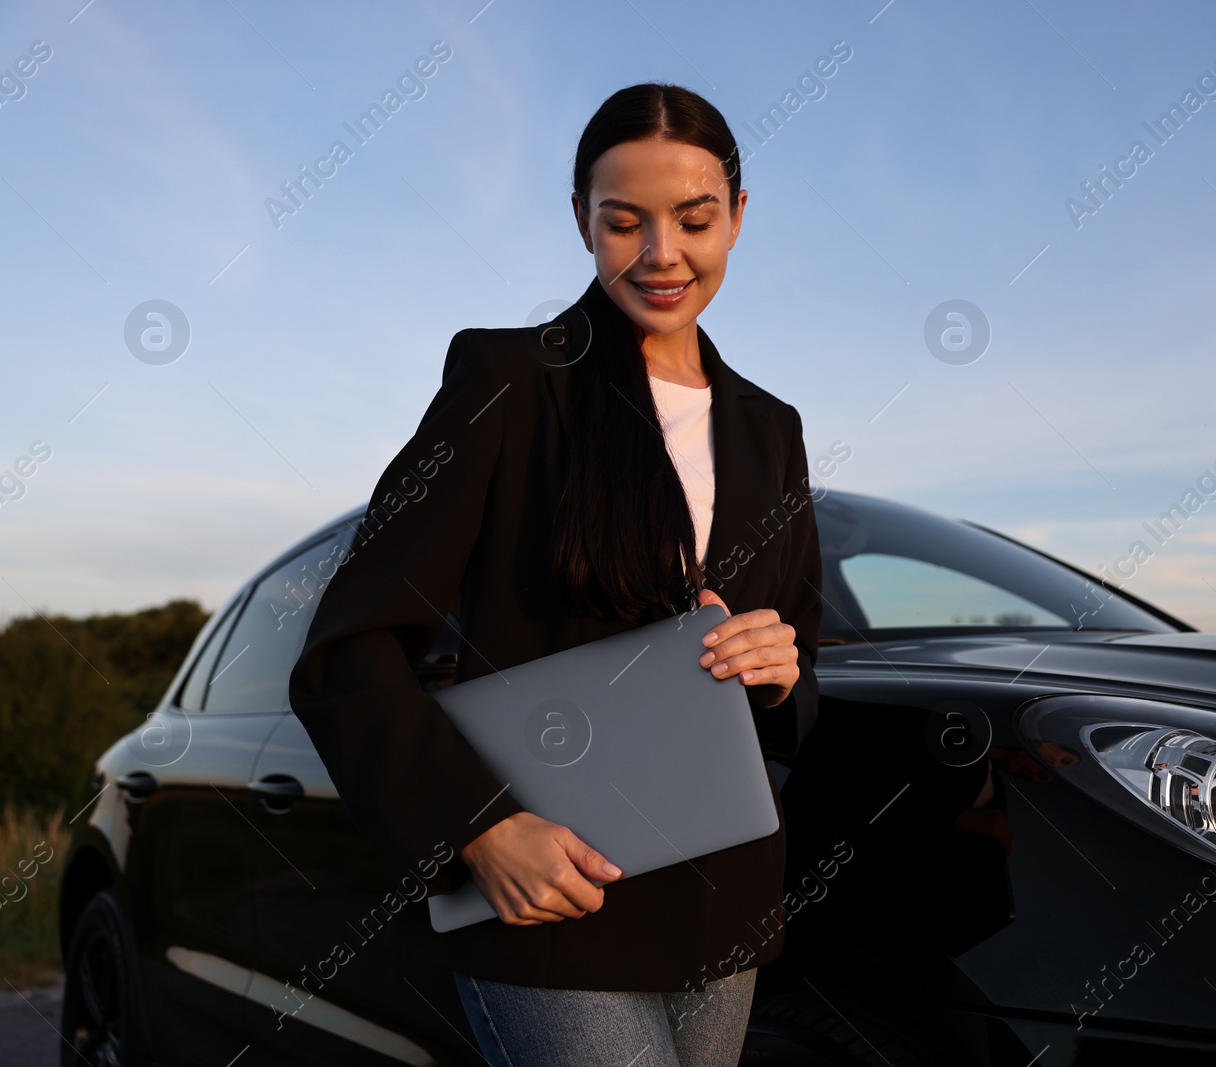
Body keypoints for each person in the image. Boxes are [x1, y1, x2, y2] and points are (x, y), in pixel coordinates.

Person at [288, 81, 823, 1067]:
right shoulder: (507, 382)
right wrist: (478, 830)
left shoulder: (770, 428)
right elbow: (350, 648)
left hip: (722, 903)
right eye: (625, 222)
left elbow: (802, 677)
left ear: (739, 219)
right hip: (549, 900)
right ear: (581, 220)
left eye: (694, 219)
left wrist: (782, 666)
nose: (662, 254)